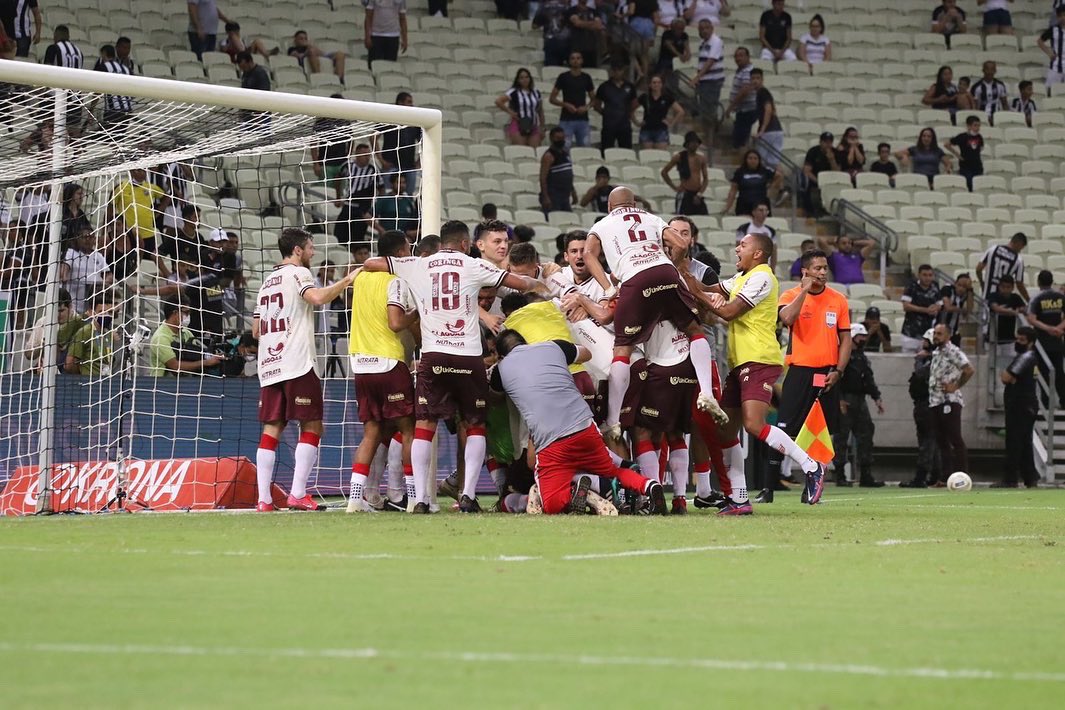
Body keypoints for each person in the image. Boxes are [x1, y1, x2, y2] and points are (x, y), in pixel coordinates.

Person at [358, 220, 549, 513]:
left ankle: (421, 498)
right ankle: (468, 495)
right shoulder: (472, 265)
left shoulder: (417, 264)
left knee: (424, 426)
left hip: (433, 356)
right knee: (474, 424)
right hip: (467, 355)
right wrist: (541, 284)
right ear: (464, 244)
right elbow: (519, 283)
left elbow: (371, 264)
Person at [685, 233, 829, 509]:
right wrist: (680, 266)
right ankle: (740, 500)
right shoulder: (740, 279)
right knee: (726, 432)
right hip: (741, 362)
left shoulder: (762, 277)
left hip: (759, 359)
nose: (737, 248)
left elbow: (728, 311)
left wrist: (702, 296)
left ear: (758, 254)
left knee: (753, 424)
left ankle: (811, 466)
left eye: (743, 245)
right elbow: (706, 288)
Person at [582, 187, 726, 439]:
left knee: (622, 348)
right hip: (666, 272)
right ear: (634, 202)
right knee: (694, 330)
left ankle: (613, 420)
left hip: (635, 280)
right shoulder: (649, 217)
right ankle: (707, 392)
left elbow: (588, 254)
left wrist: (607, 288)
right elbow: (681, 243)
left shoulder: (603, 224)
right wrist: (671, 264)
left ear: (609, 207)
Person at [491, 331, 667, 515]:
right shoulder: (552, 346)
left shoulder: (501, 369)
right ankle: (650, 486)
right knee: (612, 471)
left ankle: (579, 490)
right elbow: (586, 353)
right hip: (585, 428)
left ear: (501, 355)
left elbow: (494, 399)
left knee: (550, 504)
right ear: (525, 342)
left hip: (552, 443)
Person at [253, 228, 357, 512]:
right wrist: (346, 281)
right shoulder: (299, 274)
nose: (313, 253)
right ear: (297, 250)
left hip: (269, 365)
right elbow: (317, 299)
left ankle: (263, 499)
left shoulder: (266, 283)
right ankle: (297, 493)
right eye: (310, 248)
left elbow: (255, 330)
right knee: (312, 424)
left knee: (272, 427)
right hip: (297, 362)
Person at [764, 248, 850, 498]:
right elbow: (787, 318)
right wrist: (803, 290)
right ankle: (768, 487)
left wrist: (839, 370)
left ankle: (812, 488)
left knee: (822, 431)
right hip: (799, 372)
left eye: (825, 268)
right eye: (817, 268)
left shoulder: (838, 300)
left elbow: (845, 339)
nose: (823, 273)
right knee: (783, 428)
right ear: (805, 271)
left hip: (828, 374)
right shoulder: (790, 295)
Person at [346, 230, 416, 513]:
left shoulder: (361, 278)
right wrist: (418, 312)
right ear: (400, 253)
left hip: (360, 364)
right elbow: (396, 323)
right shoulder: (394, 280)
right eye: (408, 249)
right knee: (407, 429)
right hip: (388, 361)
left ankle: (355, 499)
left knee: (371, 432)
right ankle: (413, 498)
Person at [833, 323, 885, 487]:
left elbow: (868, 379)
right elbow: (836, 379)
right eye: (861, 336)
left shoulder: (862, 357)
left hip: (860, 401)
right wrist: (839, 399)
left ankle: (866, 475)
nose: (864, 339)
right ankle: (840, 474)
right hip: (845, 400)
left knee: (866, 435)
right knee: (841, 437)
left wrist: (877, 397)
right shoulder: (842, 356)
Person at [928, 322, 974, 485]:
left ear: (948, 335)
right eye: (935, 334)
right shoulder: (936, 352)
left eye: (939, 334)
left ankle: (963, 476)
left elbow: (969, 369)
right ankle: (946, 477)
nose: (936, 337)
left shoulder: (952, 351)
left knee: (955, 438)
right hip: (935, 401)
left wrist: (956, 386)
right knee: (941, 441)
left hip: (949, 401)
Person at [995, 326, 1040, 487]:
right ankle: (1030, 477)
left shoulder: (1025, 357)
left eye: (1022, 340)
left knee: (1014, 442)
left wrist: (1008, 376)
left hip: (1021, 404)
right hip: (1027, 404)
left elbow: (1006, 377)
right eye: (1017, 338)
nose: (1017, 342)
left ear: (1030, 342)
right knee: (1024, 442)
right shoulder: (1031, 357)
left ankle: (1010, 479)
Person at [900, 329, 941, 487]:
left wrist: (919, 359)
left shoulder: (932, 360)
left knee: (927, 441)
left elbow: (921, 374)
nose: (922, 344)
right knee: (931, 442)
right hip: (924, 404)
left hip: (928, 405)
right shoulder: (931, 358)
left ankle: (922, 477)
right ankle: (934, 475)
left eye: (926, 340)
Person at [113, 168, 169, 277]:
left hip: (147, 231)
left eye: (144, 171)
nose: (143, 173)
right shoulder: (122, 188)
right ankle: (129, 276)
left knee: (154, 255)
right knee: (131, 257)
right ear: (132, 172)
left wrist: (158, 212)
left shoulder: (150, 187)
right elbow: (111, 206)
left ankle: (168, 275)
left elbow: (166, 197)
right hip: (129, 232)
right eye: (139, 171)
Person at [148, 298, 224, 377]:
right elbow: (175, 366)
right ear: (175, 313)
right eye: (186, 312)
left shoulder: (186, 333)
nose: (189, 316)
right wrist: (206, 362)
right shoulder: (160, 338)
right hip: (162, 384)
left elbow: (197, 354)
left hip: (185, 383)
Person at [1026, 270, 1065, 405]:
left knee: (1042, 372)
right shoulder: (1060, 296)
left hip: (1041, 341)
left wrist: (1049, 329)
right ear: (1052, 281)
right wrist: (1058, 328)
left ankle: (1046, 402)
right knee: (1059, 371)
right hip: (1057, 340)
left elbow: (1031, 319)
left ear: (1038, 282)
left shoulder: (1036, 298)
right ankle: (1063, 400)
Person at [336, 143, 381, 251]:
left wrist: (374, 205)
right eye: (364, 155)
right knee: (340, 234)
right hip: (348, 205)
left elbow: (381, 187)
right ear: (356, 154)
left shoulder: (373, 170)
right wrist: (338, 197)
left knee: (357, 239)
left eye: (368, 155)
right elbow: (337, 178)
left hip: (362, 209)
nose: (367, 157)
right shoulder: (348, 165)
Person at [27, 288, 84, 373]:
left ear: (70, 306)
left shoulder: (80, 324)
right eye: (54, 311)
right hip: (44, 374)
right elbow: (28, 355)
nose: (57, 315)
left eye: (61, 311)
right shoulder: (43, 322)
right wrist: (43, 345)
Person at [60, 226, 113, 315]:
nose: (88, 240)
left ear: (95, 239)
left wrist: (104, 283)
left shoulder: (98, 256)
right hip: (74, 306)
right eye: (85, 237)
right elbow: (64, 270)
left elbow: (109, 275)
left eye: (91, 237)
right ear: (78, 239)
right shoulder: (70, 253)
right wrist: (64, 277)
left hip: (92, 306)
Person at [64, 291, 119, 376]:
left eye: (110, 312)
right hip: (88, 383)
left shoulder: (108, 334)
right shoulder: (84, 332)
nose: (106, 315)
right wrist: (83, 376)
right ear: (93, 312)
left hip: (105, 381)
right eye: (102, 312)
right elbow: (69, 364)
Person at [550, 51, 596, 147]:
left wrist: (586, 107)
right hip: (566, 119)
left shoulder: (586, 78)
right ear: (569, 61)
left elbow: (594, 99)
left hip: (583, 119)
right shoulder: (563, 77)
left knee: (585, 148)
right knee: (564, 147)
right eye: (573, 58)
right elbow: (552, 98)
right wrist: (565, 105)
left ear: (582, 61)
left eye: (578, 58)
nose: (575, 60)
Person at [661, 131, 709, 215]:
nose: (695, 144)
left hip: (697, 193)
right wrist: (674, 187)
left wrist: (700, 193)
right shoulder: (679, 157)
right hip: (685, 193)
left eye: (696, 142)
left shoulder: (701, 158)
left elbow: (705, 179)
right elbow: (664, 172)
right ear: (687, 144)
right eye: (692, 142)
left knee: (704, 217)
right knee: (683, 219)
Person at [497, 68, 546, 148]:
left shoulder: (536, 92)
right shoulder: (514, 91)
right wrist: (510, 112)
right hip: (518, 123)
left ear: (530, 78)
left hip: (533, 124)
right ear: (518, 80)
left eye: (526, 77)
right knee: (522, 149)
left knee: (535, 149)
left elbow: (540, 110)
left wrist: (542, 127)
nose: (524, 80)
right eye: (522, 78)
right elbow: (498, 101)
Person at [595, 62, 638, 152]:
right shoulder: (604, 86)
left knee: (626, 152)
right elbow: (597, 105)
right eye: (614, 70)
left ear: (623, 71)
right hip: (608, 126)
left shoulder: (630, 86)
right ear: (611, 71)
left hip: (624, 125)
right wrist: (606, 113)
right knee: (606, 151)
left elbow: (634, 103)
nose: (617, 72)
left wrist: (627, 112)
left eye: (619, 70)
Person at [723, 150, 780, 217]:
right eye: (750, 158)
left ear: (759, 160)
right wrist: (727, 207)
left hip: (761, 205)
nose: (753, 161)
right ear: (746, 159)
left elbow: (779, 176)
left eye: (755, 158)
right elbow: (733, 190)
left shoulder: (764, 171)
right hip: (744, 205)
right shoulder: (739, 172)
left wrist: (771, 188)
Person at [689, 19, 725, 125]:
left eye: (707, 28)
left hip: (713, 81)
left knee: (709, 111)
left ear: (712, 28)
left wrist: (697, 78)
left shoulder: (716, 41)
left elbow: (711, 61)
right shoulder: (702, 43)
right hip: (705, 81)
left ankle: (711, 138)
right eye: (701, 29)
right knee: (704, 110)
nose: (704, 31)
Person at [901, 264, 942, 353]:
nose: (927, 278)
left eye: (930, 275)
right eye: (925, 275)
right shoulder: (911, 286)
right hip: (910, 333)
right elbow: (906, 306)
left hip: (928, 333)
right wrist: (926, 310)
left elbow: (940, 304)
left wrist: (935, 308)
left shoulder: (935, 287)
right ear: (919, 275)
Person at [987, 275, 1027, 366]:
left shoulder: (1015, 297)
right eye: (1003, 287)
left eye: (1008, 287)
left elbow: (1023, 309)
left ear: (1012, 287)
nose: (1005, 289)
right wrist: (1012, 312)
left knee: (1009, 364)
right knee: (993, 364)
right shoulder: (993, 295)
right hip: (993, 338)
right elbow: (995, 308)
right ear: (999, 287)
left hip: (1010, 339)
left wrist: (1008, 311)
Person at [976, 232, 1028, 302]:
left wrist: (982, 283)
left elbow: (978, 269)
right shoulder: (1018, 260)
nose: (1020, 251)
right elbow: (1019, 283)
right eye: (1021, 248)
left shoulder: (993, 249)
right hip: (1002, 301)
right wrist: (1029, 300)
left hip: (986, 297)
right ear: (1018, 243)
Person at [750, 68, 785, 170]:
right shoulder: (762, 93)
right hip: (776, 130)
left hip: (770, 131)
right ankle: (779, 183)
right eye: (753, 78)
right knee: (773, 162)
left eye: (758, 78)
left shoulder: (762, 92)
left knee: (763, 161)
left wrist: (762, 130)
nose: (755, 81)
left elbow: (768, 109)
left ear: (762, 80)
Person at [636, 75, 683, 149]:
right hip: (646, 129)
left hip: (661, 130)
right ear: (650, 84)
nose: (656, 84)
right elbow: (631, 109)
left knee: (660, 156)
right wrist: (636, 122)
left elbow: (680, 111)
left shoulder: (667, 97)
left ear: (662, 84)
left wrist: (671, 123)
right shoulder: (644, 97)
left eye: (659, 82)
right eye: (654, 82)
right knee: (648, 156)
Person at [724, 47, 758, 149]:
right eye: (736, 56)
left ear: (748, 57)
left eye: (741, 55)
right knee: (739, 139)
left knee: (740, 141)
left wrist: (731, 107)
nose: (738, 58)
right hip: (742, 111)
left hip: (747, 111)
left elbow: (744, 91)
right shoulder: (741, 70)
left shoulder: (748, 71)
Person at [539, 126, 577, 214]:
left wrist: (573, 192)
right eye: (558, 138)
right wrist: (545, 197)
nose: (561, 140)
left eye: (562, 138)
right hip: (553, 196)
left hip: (565, 195)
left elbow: (568, 175)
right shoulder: (548, 156)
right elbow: (543, 178)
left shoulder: (565, 154)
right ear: (552, 138)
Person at [802, 132, 840, 217]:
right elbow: (806, 171)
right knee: (808, 186)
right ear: (820, 142)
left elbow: (838, 172)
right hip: (815, 178)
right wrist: (819, 182)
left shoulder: (835, 153)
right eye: (825, 142)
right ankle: (811, 211)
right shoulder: (813, 151)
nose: (827, 144)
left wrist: (832, 160)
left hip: (831, 180)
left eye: (830, 142)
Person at [364, 0, 408, 66]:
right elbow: (368, 16)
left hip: (393, 36)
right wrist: (367, 36)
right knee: (375, 65)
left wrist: (405, 39)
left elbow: (402, 18)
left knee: (390, 66)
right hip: (376, 35)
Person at [532, 0, 572, 67]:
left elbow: (534, 26)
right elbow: (573, 23)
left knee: (552, 69)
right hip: (565, 40)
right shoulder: (566, 6)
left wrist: (545, 21)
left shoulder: (543, 7)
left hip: (550, 41)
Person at [565, 0, 604, 68]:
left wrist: (583, 23)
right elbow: (577, 23)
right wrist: (592, 23)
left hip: (592, 47)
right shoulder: (572, 10)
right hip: (577, 47)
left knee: (592, 71)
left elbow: (599, 25)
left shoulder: (594, 11)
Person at [938, 272, 974, 342]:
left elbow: (970, 309)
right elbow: (947, 307)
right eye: (959, 285)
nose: (961, 288)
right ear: (955, 283)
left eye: (964, 287)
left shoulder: (966, 293)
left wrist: (970, 290)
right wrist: (962, 310)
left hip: (954, 331)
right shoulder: (947, 289)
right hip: (940, 328)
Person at [1039, 7, 1065, 91]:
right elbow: (1040, 41)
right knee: (1049, 90)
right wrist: (1049, 53)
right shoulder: (1053, 29)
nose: (1063, 18)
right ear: (1057, 17)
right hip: (1056, 65)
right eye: (1061, 16)